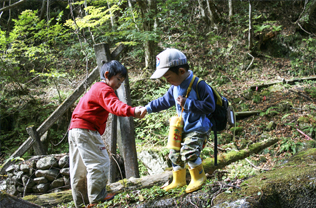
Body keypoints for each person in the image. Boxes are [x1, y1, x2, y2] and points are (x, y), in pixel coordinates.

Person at [68, 60, 145, 208]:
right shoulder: (104, 89)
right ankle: (97, 197)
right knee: (100, 162)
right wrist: (133, 111)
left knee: (80, 168)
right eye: (118, 79)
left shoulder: (96, 88)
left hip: (75, 129)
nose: (119, 84)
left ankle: (81, 202)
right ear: (107, 75)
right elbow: (114, 105)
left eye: (122, 81)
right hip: (86, 129)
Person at [140, 48, 216, 193]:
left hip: (198, 127)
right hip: (182, 128)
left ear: (181, 71)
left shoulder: (198, 84)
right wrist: (147, 108)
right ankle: (179, 180)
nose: (167, 81)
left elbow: (210, 106)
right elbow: (164, 101)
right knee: (174, 153)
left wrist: (187, 103)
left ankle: (199, 177)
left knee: (189, 151)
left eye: (168, 77)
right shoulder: (174, 87)